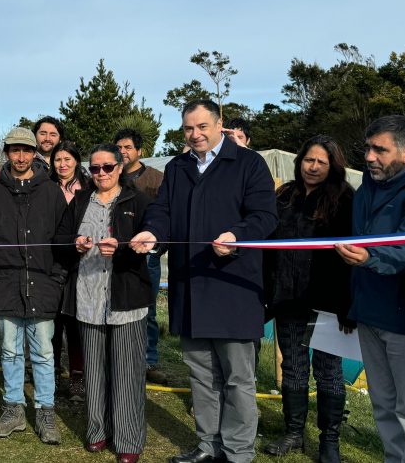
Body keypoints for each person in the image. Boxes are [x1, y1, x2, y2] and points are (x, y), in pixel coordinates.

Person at [130, 99, 278, 463]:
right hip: (190, 286)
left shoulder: (249, 164)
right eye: (188, 129)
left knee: (237, 379)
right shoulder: (178, 168)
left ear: (220, 124)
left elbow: (265, 216)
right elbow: (162, 212)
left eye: (202, 127)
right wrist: (153, 235)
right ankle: (207, 446)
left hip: (233, 288)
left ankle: (238, 452)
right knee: (200, 376)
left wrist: (236, 235)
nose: (195, 134)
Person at [334, 115, 405, 463]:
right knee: (382, 403)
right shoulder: (367, 188)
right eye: (367, 148)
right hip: (368, 312)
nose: (369, 157)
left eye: (379, 150)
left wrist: (368, 257)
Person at [0, 127, 67, 445]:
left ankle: (45, 412)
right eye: (14, 150)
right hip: (5, 284)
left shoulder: (51, 192)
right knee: (10, 351)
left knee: (43, 353)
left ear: (33, 153)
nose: (20, 156)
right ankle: (13, 409)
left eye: (26, 150)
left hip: (43, 284)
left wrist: (57, 277)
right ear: (7, 152)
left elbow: (63, 239)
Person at [54, 143, 154, 463]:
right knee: (94, 370)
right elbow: (59, 241)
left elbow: (155, 243)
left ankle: (127, 438)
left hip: (127, 298)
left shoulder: (138, 201)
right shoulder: (81, 200)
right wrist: (76, 244)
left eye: (107, 167)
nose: (101, 174)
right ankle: (97, 431)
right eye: (95, 168)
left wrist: (124, 248)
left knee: (126, 371)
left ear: (119, 168)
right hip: (88, 297)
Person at [262, 136, 354, 461]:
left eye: (321, 162)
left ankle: (330, 441)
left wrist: (348, 305)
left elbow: (352, 257)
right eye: (308, 160)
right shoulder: (285, 195)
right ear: (299, 161)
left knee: (329, 371)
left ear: (333, 166)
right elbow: (269, 248)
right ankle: (294, 433)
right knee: (294, 368)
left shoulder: (345, 200)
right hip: (288, 299)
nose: (312, 167)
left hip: (328, 304)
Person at [114, 128, 167, 386]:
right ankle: (122, 357)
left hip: (148, 255)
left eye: (128, 147)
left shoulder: (156, 179)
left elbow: (167, 215)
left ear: (139, 151)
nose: (123, 152)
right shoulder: (110, 175)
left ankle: (149, 360)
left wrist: (157, 247)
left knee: (148, 309)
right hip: (118, 254)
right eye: (119, 148)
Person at [49, 140, 89, 401]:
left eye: (67, 159)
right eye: (57, 160)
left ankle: (77, 376)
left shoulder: (88, 188)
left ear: (76, 161)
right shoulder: (46, 188)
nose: (62, 165)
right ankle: (50, 372)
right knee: (51, 322)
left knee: (75, 323)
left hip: (80, 263)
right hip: (50, 261)